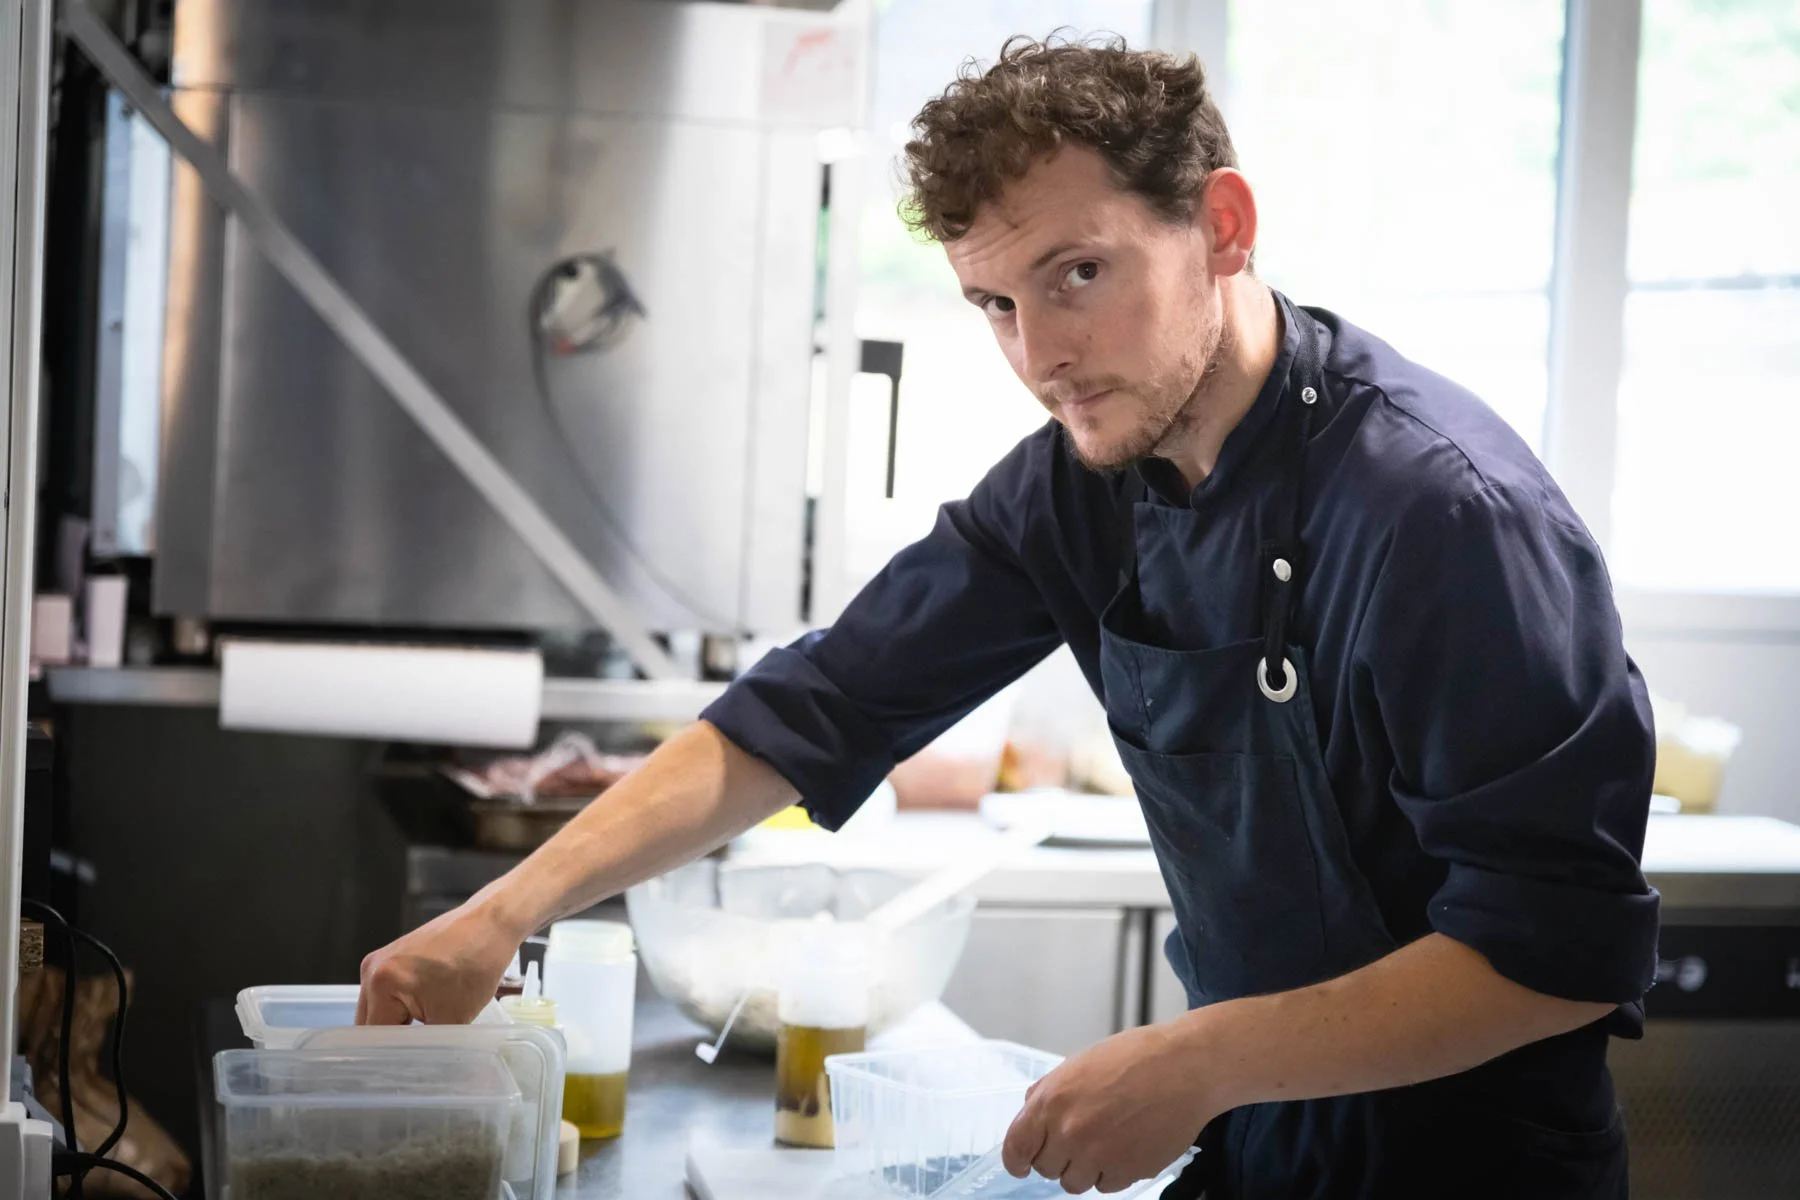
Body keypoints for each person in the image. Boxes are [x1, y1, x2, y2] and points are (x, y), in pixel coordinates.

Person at [357, 37, 1658, 1199]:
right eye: (995, 303)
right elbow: (816, 705)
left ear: (1223, 224)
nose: (1039, 354)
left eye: (1077, 273)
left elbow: (1554, 954)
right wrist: (504, 915)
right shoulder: (1079, 487)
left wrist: (1199, 1058)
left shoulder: (1440, 514)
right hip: (1265, 1147)